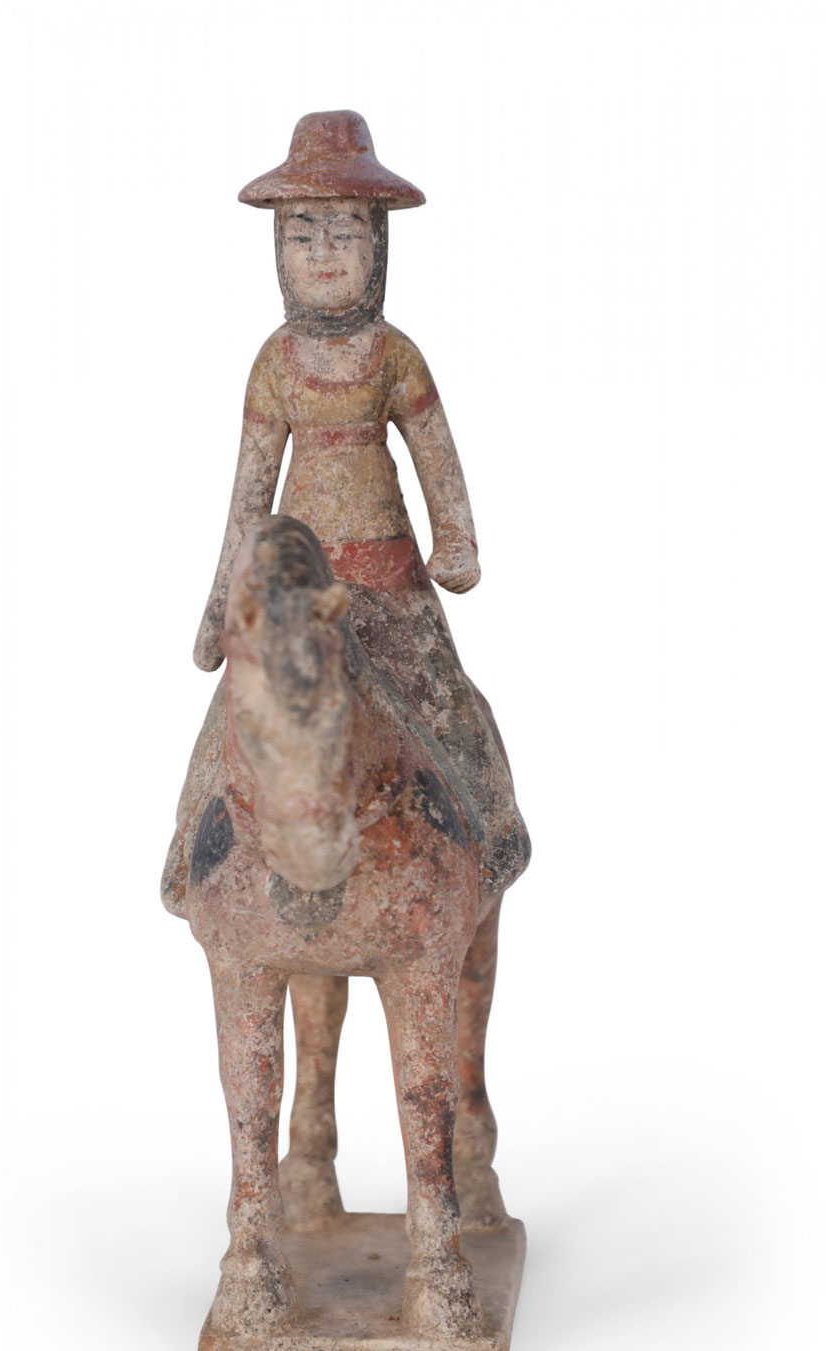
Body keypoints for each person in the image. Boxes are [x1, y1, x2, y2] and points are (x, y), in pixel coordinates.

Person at [163, 111, 529, 916]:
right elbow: (249, 496)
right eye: (302, 233)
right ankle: (192, 848)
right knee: (232, 722)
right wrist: (223, 604)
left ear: (378, 242)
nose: (323, 253)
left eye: (343, 232)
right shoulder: (276, 362)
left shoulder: (395, 355)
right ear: (277, 248)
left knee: (449, 706)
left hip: (391, 580)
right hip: (292, 590)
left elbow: (437, 457)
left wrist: (457, 539)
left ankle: (493, 829)